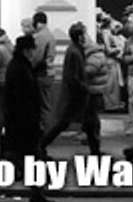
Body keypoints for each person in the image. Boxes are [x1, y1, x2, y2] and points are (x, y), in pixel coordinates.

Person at [3, 35, 55, 202]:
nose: (34, 52)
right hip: (23, 124)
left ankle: (37, 195)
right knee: (28, 159)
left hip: (19, 123)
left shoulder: (19, 66)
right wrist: (34, 123)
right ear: (27, 50)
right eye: (32, 49)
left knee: (26, 160)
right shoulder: (20, 68)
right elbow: (24, 99)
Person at [40, 21, 101, 156]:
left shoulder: (74, 49)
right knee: (63, 123)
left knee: (89, 123)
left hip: (78, 94)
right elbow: (73, 76)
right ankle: (41, 145)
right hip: (76, 96)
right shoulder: (75, 52)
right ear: (79, 36)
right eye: (84, 34)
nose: (86, 37)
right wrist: (84, 88)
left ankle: (95, 151)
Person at [31, 11, 54, 131]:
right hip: (49, 73)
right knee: (46, 104)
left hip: (41, 74)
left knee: (42, 106)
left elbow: (36, 57)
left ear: (38, 23)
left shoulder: (41, 36)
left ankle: (46, 132)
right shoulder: (50, 34)